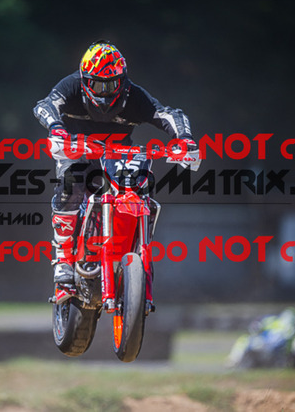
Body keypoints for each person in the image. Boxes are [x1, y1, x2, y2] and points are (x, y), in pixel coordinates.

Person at [33, 40, 197, 296]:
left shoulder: (135, 96)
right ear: (84, 80)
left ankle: (135, 248)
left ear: (123, 81)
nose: (105, 92)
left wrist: (184, 139)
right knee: (71, 185)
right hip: (78, 151)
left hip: (118, 156)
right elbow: (45, 105)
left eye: (111, 85)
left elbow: (168, 114)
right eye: (97, 84)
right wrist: (56, 128)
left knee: (143, 187)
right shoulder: (71, 86)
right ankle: (63, 259)